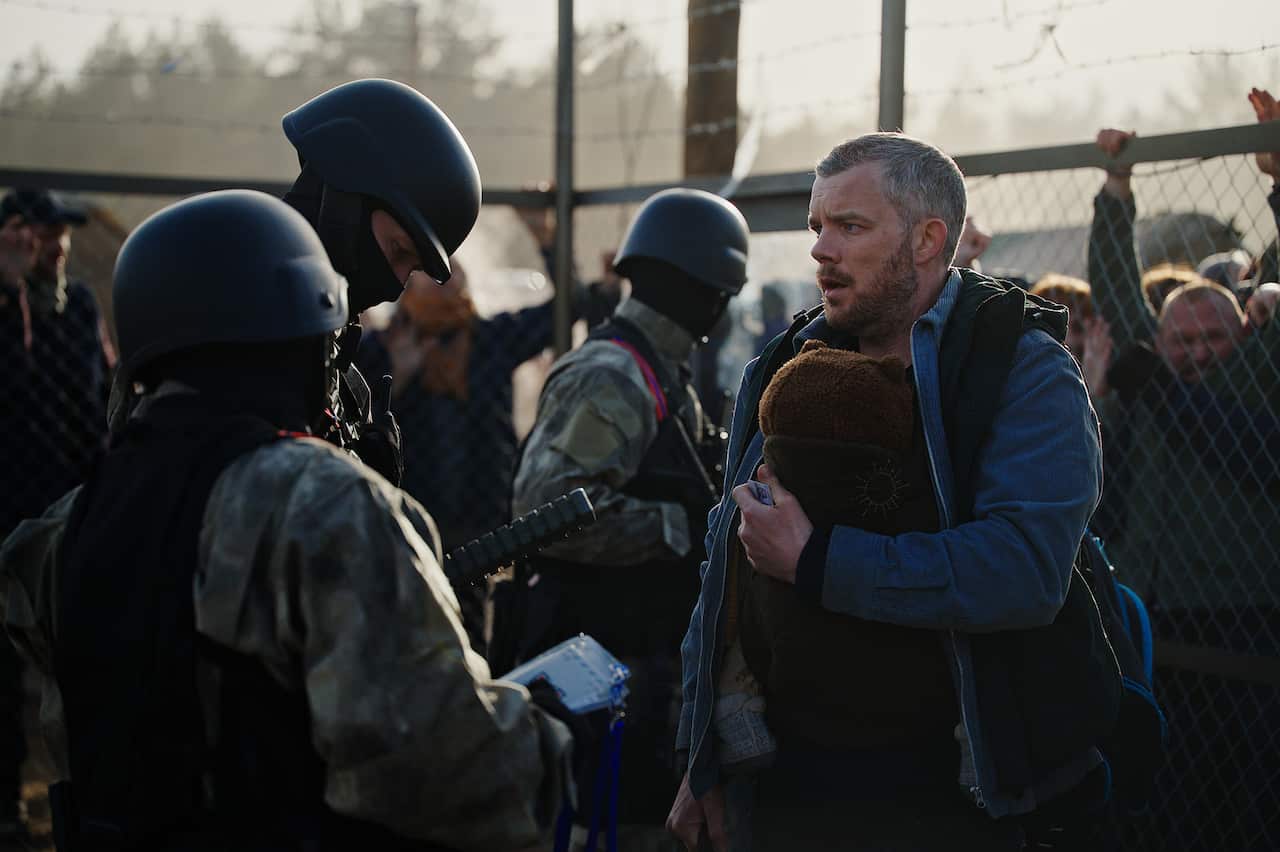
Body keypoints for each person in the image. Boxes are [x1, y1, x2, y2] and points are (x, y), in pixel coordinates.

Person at [0, 190, 573, 851]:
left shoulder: (65, 527)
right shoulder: (322, 499)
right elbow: (453, 775)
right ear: (298, 335)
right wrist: (553, 738)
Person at [669, 133, 1113, 851]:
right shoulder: (783, 364)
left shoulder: (1018, 369)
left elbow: (1025, 571)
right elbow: (723, 574)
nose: (820, 249)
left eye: (850, 226)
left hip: (954, 794)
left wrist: (818, 562)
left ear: (928, 239)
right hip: (788, 787)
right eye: (817, 227)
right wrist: (702, 759)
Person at [507, 188, 750, 850]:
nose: (722, 307)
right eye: (718, 290)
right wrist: (684, 527)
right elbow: (546, 511)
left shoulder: (661, 371)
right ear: (697, 286)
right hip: (592, 678)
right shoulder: (615, 374)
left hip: (636, 677)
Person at [96, 78, 483, 487]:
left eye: (413, 268)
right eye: (398, 250)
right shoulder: (212, 308)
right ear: (345, 200)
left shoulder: (347, 386)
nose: (395, 285)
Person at [357, 255, 557, 646]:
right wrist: (394, 381)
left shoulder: (489, 340)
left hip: (477, 524)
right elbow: (350, 434)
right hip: (404, 522)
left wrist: (549, 245)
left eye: (451, 268)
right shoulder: (382, 349)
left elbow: (566, 309)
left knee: (471, 639)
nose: (444, 277)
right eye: (430, 270)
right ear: (407, 284)